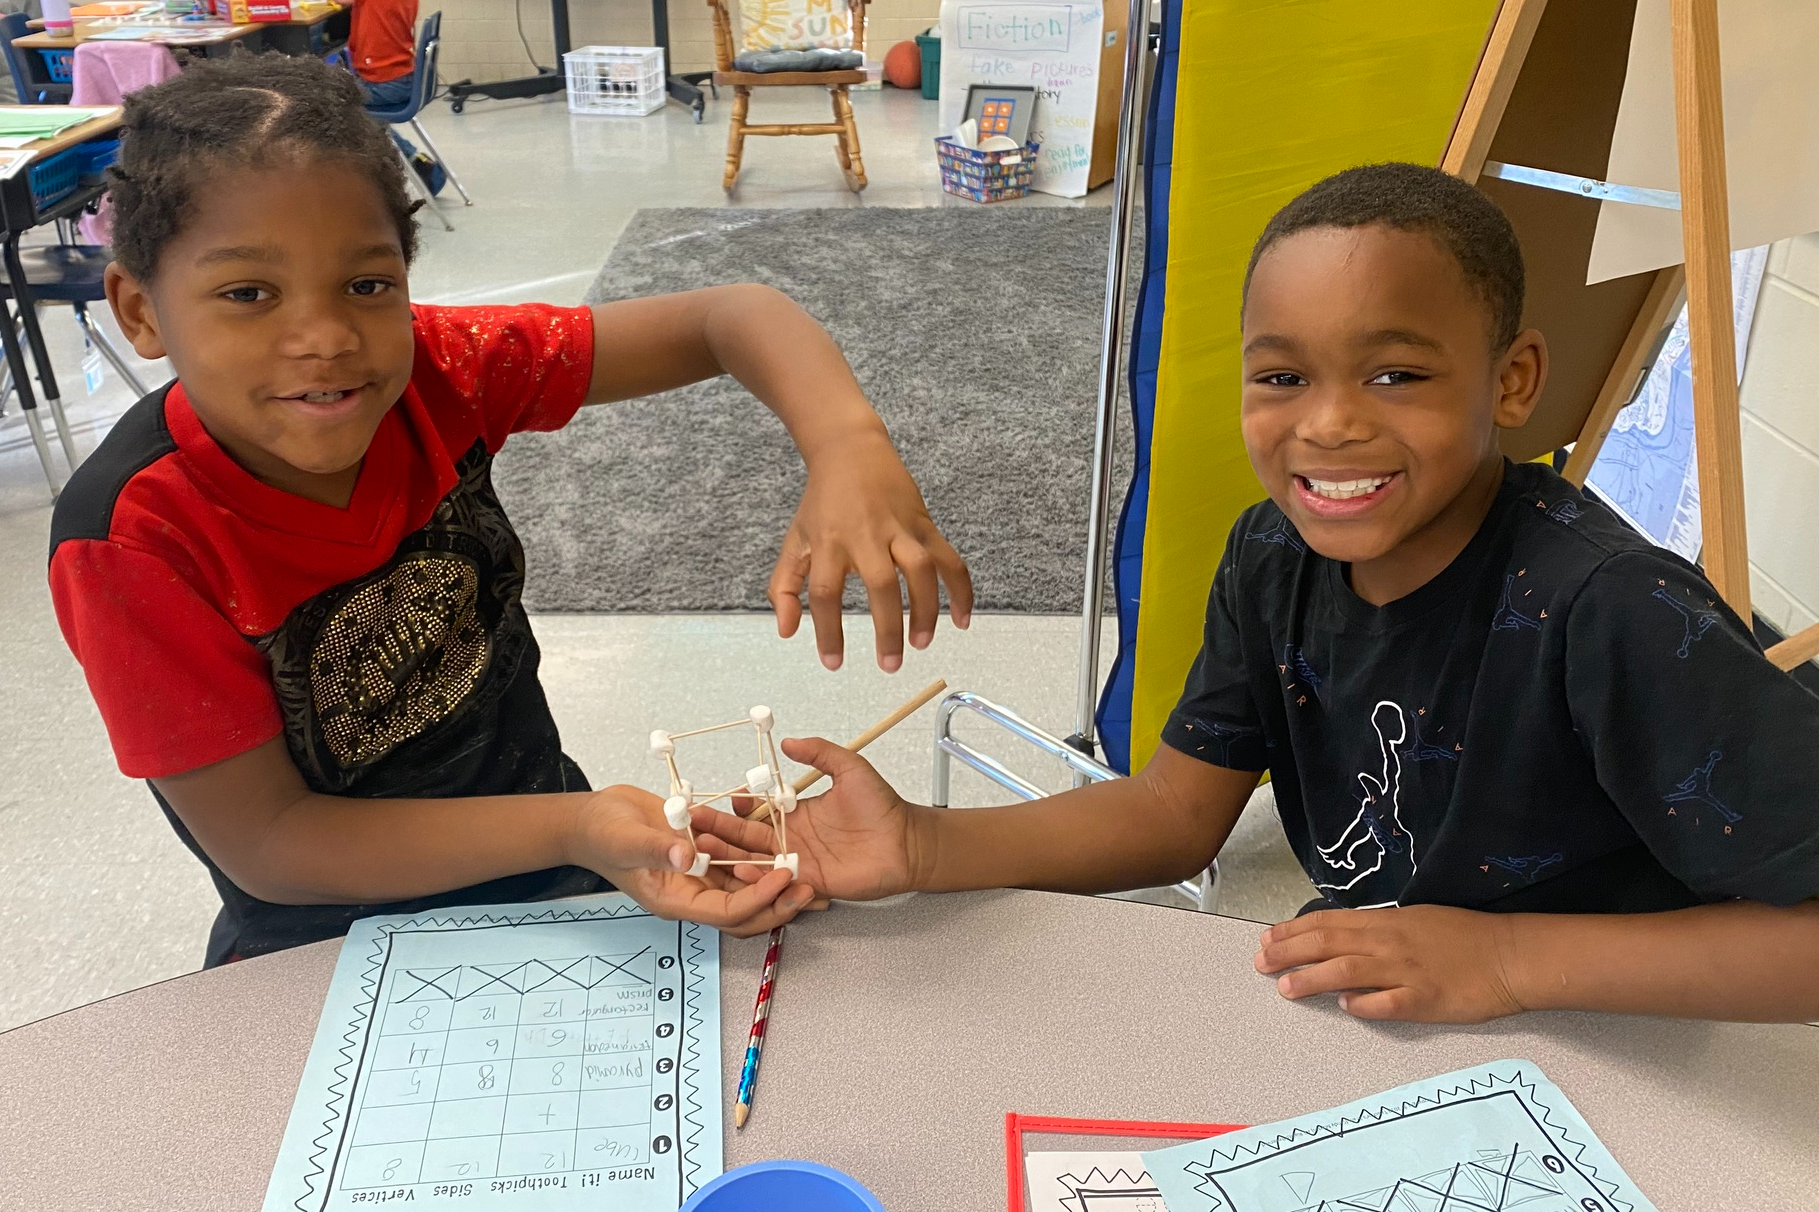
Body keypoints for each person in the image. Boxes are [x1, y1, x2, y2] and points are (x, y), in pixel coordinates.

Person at [695, 162, 1819, 1025]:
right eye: (1281, 376)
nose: (1326, 424)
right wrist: (924, 846)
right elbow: (1170, 818)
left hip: (1605, 1033)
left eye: (1397, 374)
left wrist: (1509, 959)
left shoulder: (1616, 611)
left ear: (1512, 379)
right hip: (1384, 1012)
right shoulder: (1269, 557)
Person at [50, 54, 972, 966]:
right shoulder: (133, 542)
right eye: (247, 294)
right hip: (327, 938)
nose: (325, 338)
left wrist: (849, 445)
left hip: (553, 859)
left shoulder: (440, 368)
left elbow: (732, 316)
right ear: (140, 310)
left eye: (367, 285)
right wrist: (574, 828)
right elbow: (271, 844)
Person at [339, 0, 444, 194]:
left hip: (384, 82)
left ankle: (352, 184)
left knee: (338, 104)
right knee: (363, 113)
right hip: (403, 76)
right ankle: (417, 163)